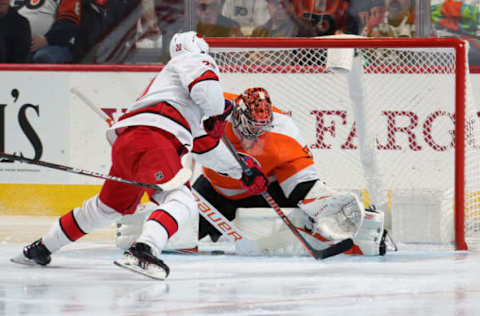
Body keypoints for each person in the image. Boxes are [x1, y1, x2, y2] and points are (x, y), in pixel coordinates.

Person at [10, 31, 269, 280]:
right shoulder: (193, 60)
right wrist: (218, 113)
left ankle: (42, 247)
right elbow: (210, 97)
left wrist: (240, 171)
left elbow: (204, 146)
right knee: (182, 199)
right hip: (155, 139)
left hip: (131, 142)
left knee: (106, 208)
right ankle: (144, 250)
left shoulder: (172, 90)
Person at [117, 87, 392, 256]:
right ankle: (142, 235)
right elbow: (170, 115)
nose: (250, 141)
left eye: (258, 134)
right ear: (235, 116)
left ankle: (364, 231)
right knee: (177, 237)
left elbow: (303, 189)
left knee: (308, 213)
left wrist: (323, 204)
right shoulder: (212, 109)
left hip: (263, 191)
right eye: (246, 132)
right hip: (214, 190)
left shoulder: (285, 135)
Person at [14, 0, 82, 63]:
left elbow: (69, 22)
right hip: (18, 44)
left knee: (43, 57)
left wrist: (48, 39)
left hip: (55, 45)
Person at [250, 0, 315, 37]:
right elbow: (248, 54)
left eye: (284, 3)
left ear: (291, 6)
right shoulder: (259, 31)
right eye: (275, 3)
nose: (280, 7)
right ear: (268, 6)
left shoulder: (301, 28)